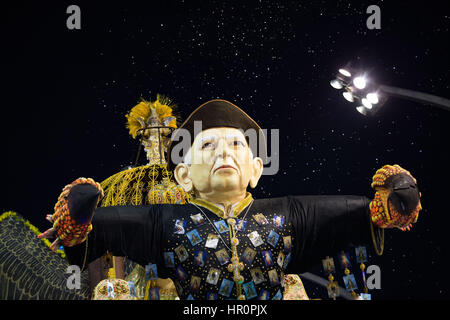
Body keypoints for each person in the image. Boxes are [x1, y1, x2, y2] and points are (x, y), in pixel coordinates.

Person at [39, 99, 422, 300]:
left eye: (236, 144)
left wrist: (396, 198)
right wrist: (77, 211)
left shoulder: (290, 215)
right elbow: (89, 230)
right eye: (208, 145)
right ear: (185, 177)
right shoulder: (164, 221)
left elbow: (366, 215)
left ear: (255, 169)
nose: (224, 152)